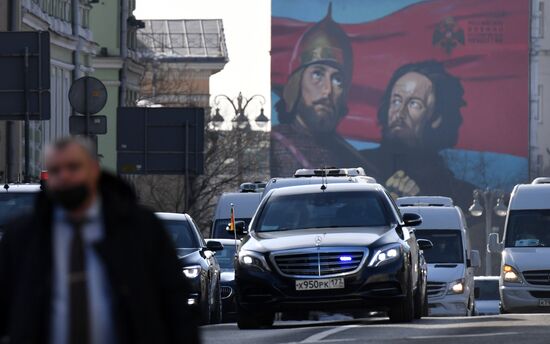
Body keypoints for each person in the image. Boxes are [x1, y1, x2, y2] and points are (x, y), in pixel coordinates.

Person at [0, 137, 199, 344]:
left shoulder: (139, 228)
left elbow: (175, 304)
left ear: (94, 170)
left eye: (73, 167)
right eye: (56, 171)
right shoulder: (23, 236)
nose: (65, 176)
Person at [270, 4, 377, 178]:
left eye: (337, 80)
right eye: (317, 74)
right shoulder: (275, 144)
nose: (327, 90)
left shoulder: (349, 156)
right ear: (297, 82)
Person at [363, 60, 474, 209]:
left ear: (436, 118)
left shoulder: (457, 194)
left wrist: (420, 205)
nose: (400, 114)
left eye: (414, 104)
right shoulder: (360, 170)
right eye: (396, 101)